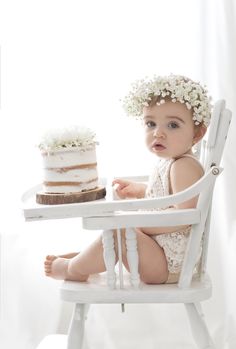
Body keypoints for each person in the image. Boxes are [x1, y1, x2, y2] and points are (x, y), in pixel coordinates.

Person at [44, 74, 212, 284]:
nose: (158, 133)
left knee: (119, 230)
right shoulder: (172, 161)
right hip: (158, 252)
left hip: (168, 263)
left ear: (197, 134)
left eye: (173, 125)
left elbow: (184, 214)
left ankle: (74, 268)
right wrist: (142, 190)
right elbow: (170, 197)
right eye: (150, 123)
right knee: (120, 232)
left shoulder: (184, 165)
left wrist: (138, 223)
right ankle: (87, 259)